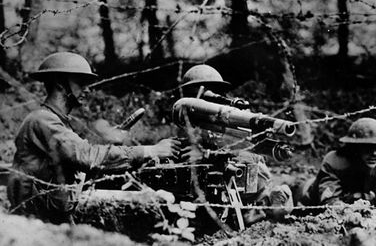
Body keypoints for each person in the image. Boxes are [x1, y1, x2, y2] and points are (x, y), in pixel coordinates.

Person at [7, 52, 182, 224]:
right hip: (32, 220)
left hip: (48, 215)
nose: (87, 89)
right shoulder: (42, 120)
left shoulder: (55, 121)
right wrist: (151, 150)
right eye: (81, 82)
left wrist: (110, 141)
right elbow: (87, 157)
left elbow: (76, 156)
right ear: (60, 84)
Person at [174, 64, 293, 225]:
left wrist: (210, 156)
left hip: (242, 207)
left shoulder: (234, 136)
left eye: (214, 95)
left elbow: (251, 167)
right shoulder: (185, 132)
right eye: (201, 97)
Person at [298, 117, 376, 214]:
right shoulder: (335, 161)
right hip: (313, 202)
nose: (374, 153)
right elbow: (329, 201)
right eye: (368, 148)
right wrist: (348, 209)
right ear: (355, 147)